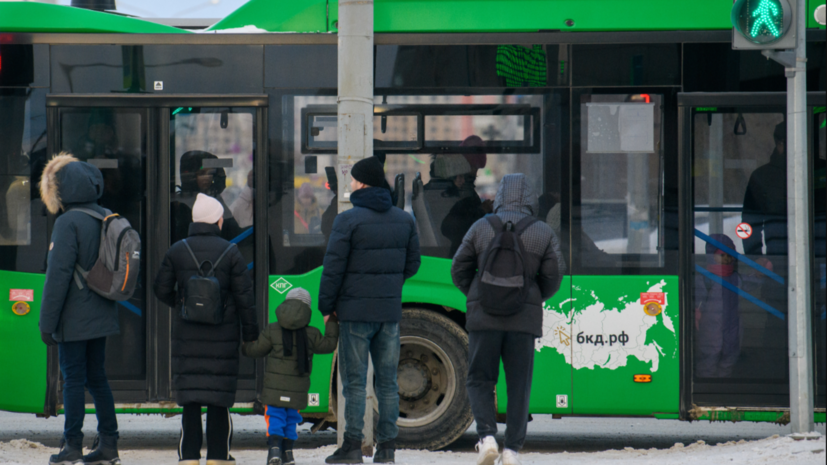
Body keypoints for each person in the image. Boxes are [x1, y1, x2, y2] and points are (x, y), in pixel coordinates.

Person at [450, 173, 563, 465]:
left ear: (500, 196)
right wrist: (532, 296)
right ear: (530, 198)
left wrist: (477, 294)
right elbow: (553, 277)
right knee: (518, 384)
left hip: (483, 317)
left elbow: (458, 269)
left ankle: (487, 437)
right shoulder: (542, 231)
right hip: (522, 320)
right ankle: (512, 449)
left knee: (479, 379)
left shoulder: (480, 226)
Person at [318, 157, 421, 464]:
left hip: (354, 314)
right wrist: (389, 286)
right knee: (388, 381)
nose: (349, 184)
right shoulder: (404, 220)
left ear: (362, 183)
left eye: (352, 180)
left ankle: (352, 446)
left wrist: (327, 306)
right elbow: (412, 264)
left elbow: (332, 269)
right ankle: (387, 449)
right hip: (388, 315)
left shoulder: (347, 220)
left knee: (354, 382)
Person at [153, 193, 259, 465]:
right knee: (218, 401)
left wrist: (182, 304)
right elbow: (245, 299)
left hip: (187, 337)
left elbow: (160, 289)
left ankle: (188, 457)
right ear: (217, 221)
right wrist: (250, 336)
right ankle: (217, 457)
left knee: (190, 402)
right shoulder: (231, 252)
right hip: (222, 338)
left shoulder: (177, 250)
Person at [38, 153, 121, 465]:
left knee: (72, 378)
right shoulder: (106, 217)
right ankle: (109, 445)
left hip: (74, 319)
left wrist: (47, 324)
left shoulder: (67, 222)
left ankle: (72, 445)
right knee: (97, 377)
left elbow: (57, 278)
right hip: (101, 314)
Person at [242, 288, 339, 465]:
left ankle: (274, 451)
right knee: (291, 419)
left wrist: (242, 345)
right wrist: (332, 320)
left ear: (286, 305)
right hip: (298, 390)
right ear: (307, 309)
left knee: (276, 417)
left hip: (274, 389)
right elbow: (329, 345)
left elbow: (256, 350)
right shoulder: (312, 333)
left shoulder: (272, 329)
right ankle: (288, 453)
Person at [694, 234, 741, 378]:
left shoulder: (735, 278)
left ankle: (723, 383)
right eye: (722, 255)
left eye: (730, 255)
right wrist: (696, 313)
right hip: (710, 324)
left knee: (730, 352)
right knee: (710, 352)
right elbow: (697, 298)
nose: (727, 259)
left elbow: (751, 282)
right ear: (711, 256)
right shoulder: (705, 278)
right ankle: (706, 383)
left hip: (732, 324)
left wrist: (760, 274)